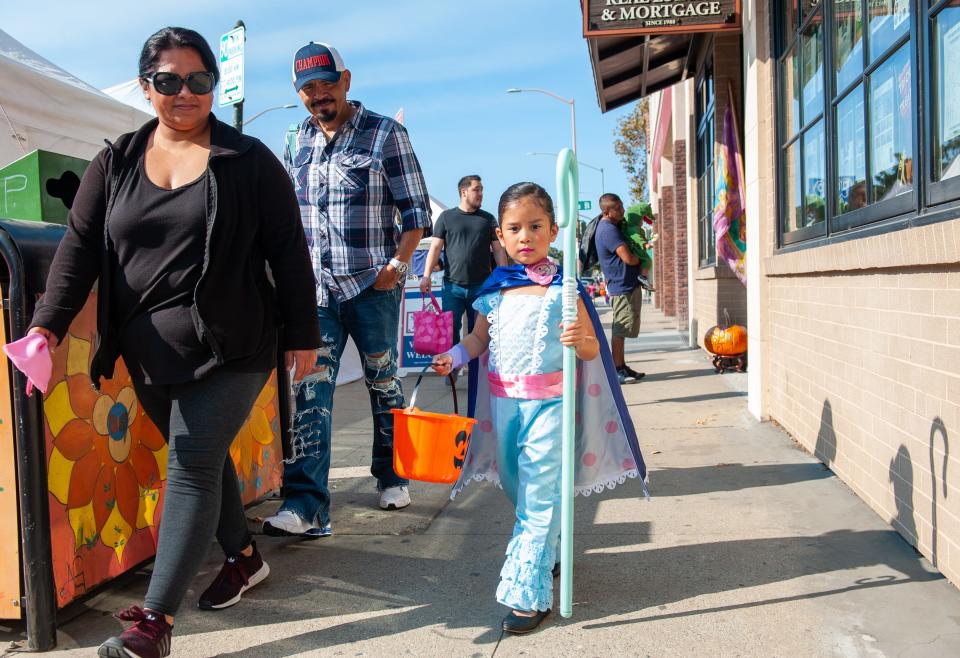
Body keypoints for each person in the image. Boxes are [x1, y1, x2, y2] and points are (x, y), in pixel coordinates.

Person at [26, 27, 320, 658]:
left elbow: (289, 251)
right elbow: (78, 252)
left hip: (235, 344)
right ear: (146, 86)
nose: (185, 92)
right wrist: (47, 325)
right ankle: (242, 557)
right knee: (203, 463)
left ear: (214, 85)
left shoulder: (248, 160)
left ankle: (152, 628)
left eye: (199, 80)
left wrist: (303, 333)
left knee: (188, 467)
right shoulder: (116, 161)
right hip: (149, 352)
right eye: (169, 81)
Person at [432, 183, 646, 634]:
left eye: (535, 226)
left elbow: (590, 349)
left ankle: (527, 596)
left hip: (549, 407)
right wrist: (454, 356)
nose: (525, 236)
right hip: (505, 409)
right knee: (515, 486)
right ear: (501, 236)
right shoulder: (496, 288)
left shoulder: (565, 288)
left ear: (553, 230)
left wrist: (581, 341)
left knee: (537, 498)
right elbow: (478, 339)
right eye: (515, 228)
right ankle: (552, 542)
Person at [262, 41, 432, 538]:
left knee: (384, 383)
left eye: (326, 84)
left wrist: (397, 266)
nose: (318, 96)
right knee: (310, 389)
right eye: (308, 89)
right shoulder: (295, 141)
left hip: (373, 286)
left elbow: (416, 213)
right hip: (317, 292)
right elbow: (289, 217)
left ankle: (392, 475)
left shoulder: (386, 135)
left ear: (346, 81)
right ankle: (306, 504)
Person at [419, 175, 507, 384]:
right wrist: (426, 275)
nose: (481, 194)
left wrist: (503, 276)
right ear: (463, 192)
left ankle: (476, 376)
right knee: (450, 333)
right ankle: (452, 370)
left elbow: (498, 249)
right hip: (452, 286)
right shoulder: (446, 218)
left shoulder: (487, 219)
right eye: (477, 189)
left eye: (482, 190)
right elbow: (435, 247)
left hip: (481, 287)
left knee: (477, 334)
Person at [595, 193, 646, 384]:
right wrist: (643, 257)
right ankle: (617, 370)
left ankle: (622, 366)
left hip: (624, 284)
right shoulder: (608, 230)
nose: (623, 210)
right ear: (607, 211)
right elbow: (628, 258)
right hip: (621, 286)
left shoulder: (611, 226)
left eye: (622, 206)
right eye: (618, 208)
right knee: (620, 329)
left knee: (622, 329)